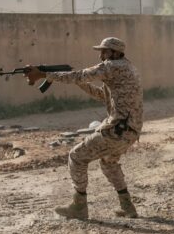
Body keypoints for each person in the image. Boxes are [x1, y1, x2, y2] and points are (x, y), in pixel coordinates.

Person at [25, 37, 143, 220]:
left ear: (115, 53)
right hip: (130, 131)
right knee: (109, 163)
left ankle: (79, 207)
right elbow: (101, 96)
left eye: (104, 51)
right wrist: (80, 83)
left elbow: (79, 75)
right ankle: (128, 207)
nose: (101, 55)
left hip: (117, 130)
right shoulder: (127, 68)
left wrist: (43, 74)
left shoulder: (112, 66)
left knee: (76, 157)